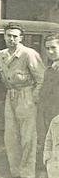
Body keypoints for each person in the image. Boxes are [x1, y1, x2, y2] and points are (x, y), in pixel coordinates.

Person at [0, 22, 45, 178]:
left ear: (21, 38)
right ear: (4, 36)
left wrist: (34, 97)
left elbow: (41, 78)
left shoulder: (28, 54)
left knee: (28, 137)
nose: (12, 39)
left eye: (15, 36)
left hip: (26, 95)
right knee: (11, 137)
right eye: (8, 36)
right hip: (11, 96)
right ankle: (15, 173)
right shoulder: (2, 54)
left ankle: (27, 174)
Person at [39, 34, 59, 165]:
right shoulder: (49, 70)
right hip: (50, 116)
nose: (50, 52)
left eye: (53, 47)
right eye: (47, 48)